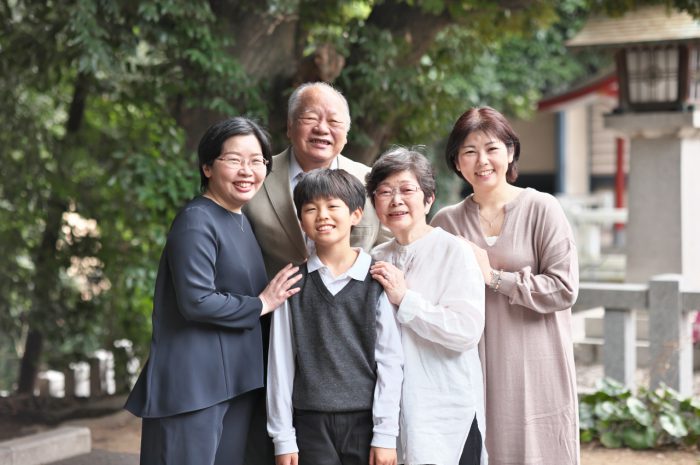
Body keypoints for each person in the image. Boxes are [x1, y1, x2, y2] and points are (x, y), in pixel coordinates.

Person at [124, 117, 302, 465]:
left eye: (256, 161)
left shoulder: (238, 218)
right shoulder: (196, 219)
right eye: (234, 160)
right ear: (207, 166)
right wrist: (262, 303)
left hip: (233, 382)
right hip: (192, 387)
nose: (247, 170)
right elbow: (196, 300)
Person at [244, 81, 389, 464]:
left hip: (357, 342)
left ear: (347, 131)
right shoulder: (257, 178)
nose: (322, 128)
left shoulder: (370, 182)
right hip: (277, 337)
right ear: (289, 127)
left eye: (333, 120)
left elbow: (397, 242)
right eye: (310, 118)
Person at [430, 106, 580, 465]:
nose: (482, 160)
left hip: (538, 360)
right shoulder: (445, 222)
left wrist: (495, 278)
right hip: (472, 366)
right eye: (469, 151)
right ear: (457, 162)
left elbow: (563, 287)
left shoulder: (543, 208)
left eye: (492, 148)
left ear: (510, 152)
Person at [266, 168, 403, 465]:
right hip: (309, 424)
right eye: (311, 209)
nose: (322, 215)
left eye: (332, 206)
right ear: (301, 220)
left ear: (355, 214)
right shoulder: (292, 284)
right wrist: (283, 437)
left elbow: (390, 361)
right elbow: (280, 363)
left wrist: (385, 433)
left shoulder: (377, 280)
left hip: (366, 423)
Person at [366, 147, 487, 465]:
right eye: (384, 192)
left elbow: (466, 331)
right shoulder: (376, 257)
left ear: (429, 199)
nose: (396, 201)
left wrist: (405, 299)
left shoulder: (453, 252)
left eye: (407, 190)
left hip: (447, 409)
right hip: (392, 416)